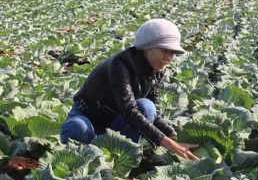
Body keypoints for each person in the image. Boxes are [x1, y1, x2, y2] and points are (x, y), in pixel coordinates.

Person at [61, 18, 199, 160]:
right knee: (77, 127)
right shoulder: (120, 64)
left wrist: (172, 135)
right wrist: (166, 143)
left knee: (148, 107)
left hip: (115, 122)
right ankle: (85, 159)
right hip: (90, 119)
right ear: (146, 48)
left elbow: (155, 114)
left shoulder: (157, 69)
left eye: (173, 52)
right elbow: (129, 110)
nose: (169, 57)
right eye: (164, 50)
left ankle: (122, 156)